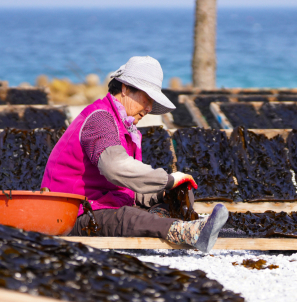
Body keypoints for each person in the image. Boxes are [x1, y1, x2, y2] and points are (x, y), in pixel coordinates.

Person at [41, 56, 228, 252]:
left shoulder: (126, 128)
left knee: (179, 191)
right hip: (72, 214)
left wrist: (169, 188)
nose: (148, 109)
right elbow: (115, 168)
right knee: (128, 216)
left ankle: (167, 222)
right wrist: (167, 180)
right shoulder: (100, 118)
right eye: (147, 99)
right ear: (125, 88)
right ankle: (186, 231)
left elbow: (127, 190)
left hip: (104, 203)